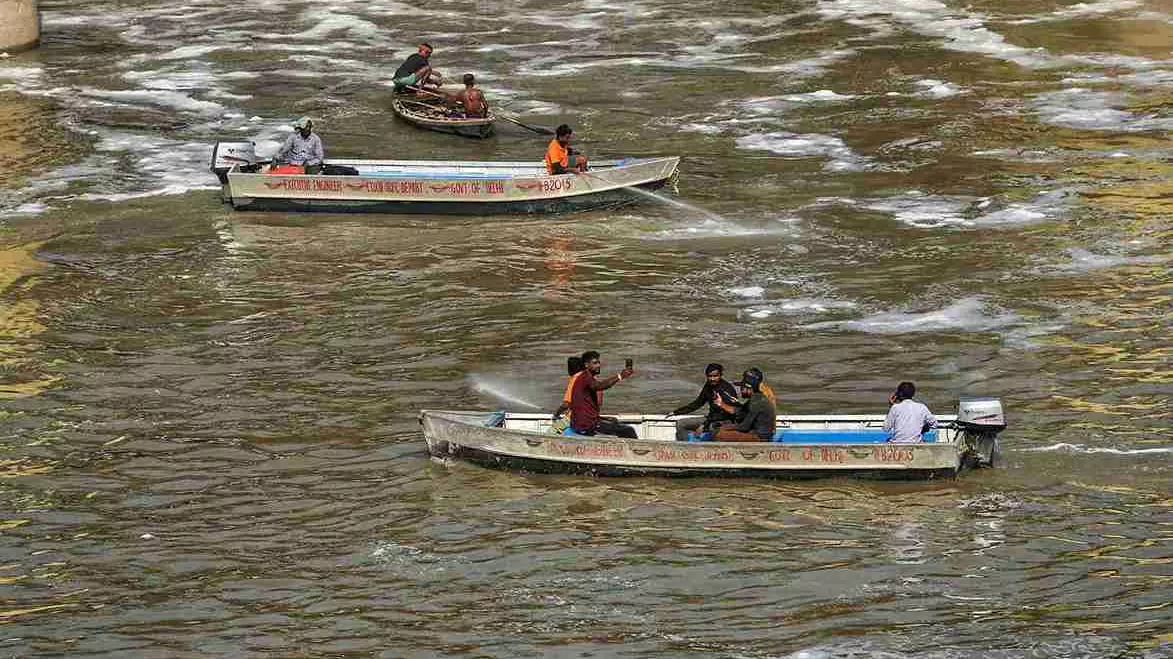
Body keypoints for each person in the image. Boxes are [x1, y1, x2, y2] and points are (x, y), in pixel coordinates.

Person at [568, 350, 636, 438]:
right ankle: (633, 450)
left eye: (599, 363)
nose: (598, 365)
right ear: (586, 365)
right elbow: (599, 386)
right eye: (595, 363)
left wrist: (601, 418)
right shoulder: (585, 377)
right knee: (628, 430)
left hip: (585, 422)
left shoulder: (585, 377)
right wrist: (620, 376)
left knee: (614, 421)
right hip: (587, 425)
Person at [666, 363, 740, 441]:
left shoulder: (727, 389)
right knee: (680, 424)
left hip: (724, 421)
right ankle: (689, 446)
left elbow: (730, 413)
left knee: (711, 428)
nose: (712, 379)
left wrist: (704, 425)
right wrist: (676, 412)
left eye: (715, 376)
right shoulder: (708, 386)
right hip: (710, 418)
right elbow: (698, 403)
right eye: (710, 376)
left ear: (720, 375)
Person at [712, 368, 777, 442]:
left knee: (718, 434)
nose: (740, 390)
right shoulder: (756, 397)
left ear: (749, 388)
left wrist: (723, 428)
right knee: (720, 427)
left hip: (759, 437)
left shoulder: (756, 403)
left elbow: (744, 427)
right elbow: (739, 411)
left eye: (742, 387)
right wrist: (721, 403)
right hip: (754, 432)